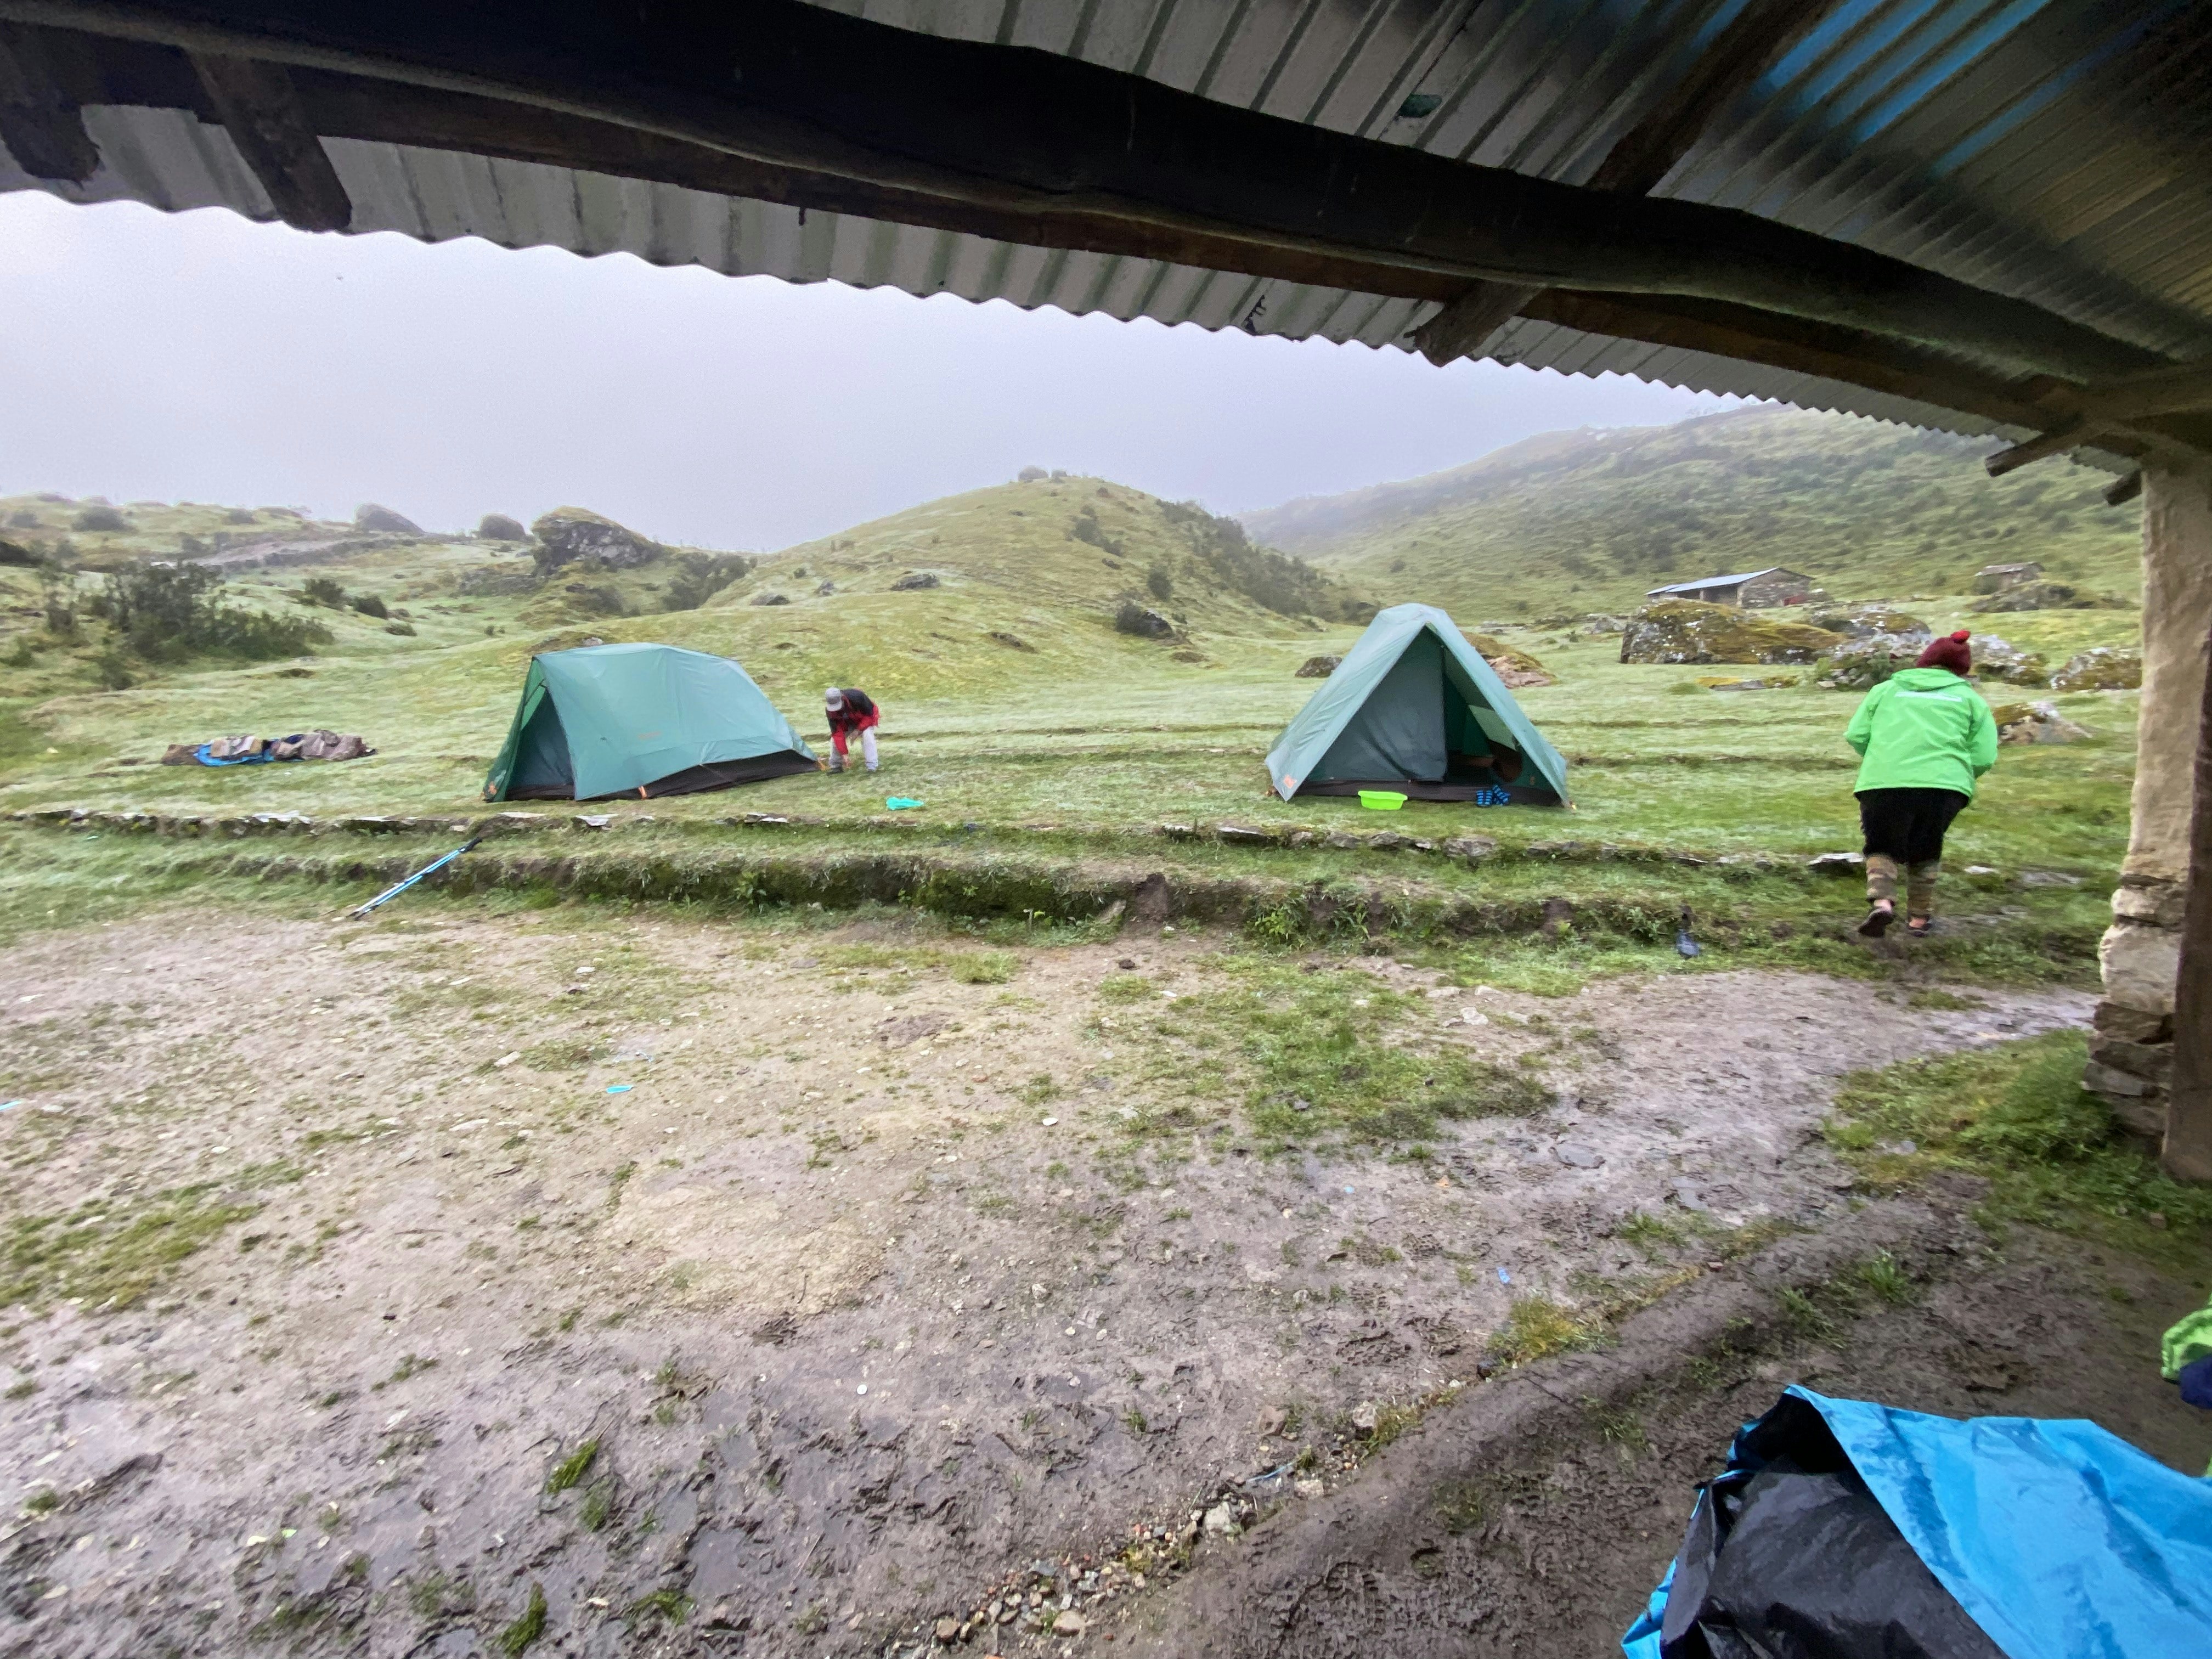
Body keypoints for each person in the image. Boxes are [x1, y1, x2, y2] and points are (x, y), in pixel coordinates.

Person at [1843, 630, 1997, 938]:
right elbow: (1983, 755)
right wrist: (1959, 776)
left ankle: (1883, 903)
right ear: (1962, 669)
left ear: (1923, 660)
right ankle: (1919, 919)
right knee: (1926, 848)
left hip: (1884, 781)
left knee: (1882, 845)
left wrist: (1883, 759)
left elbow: (1857, 735)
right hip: (1945, 786)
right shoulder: (1970, 700)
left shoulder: (1885, 690)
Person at [823, 686, 880, 773]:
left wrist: (857, 731)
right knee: (834, 740)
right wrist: (844, 754)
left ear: (842, 698)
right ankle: (836, 766)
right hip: (846, 723)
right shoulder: (830, 711)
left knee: (868, 735)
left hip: (865, 720)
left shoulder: (857, 696)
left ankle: (872, 766)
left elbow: (870, 716)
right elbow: (837, 733)